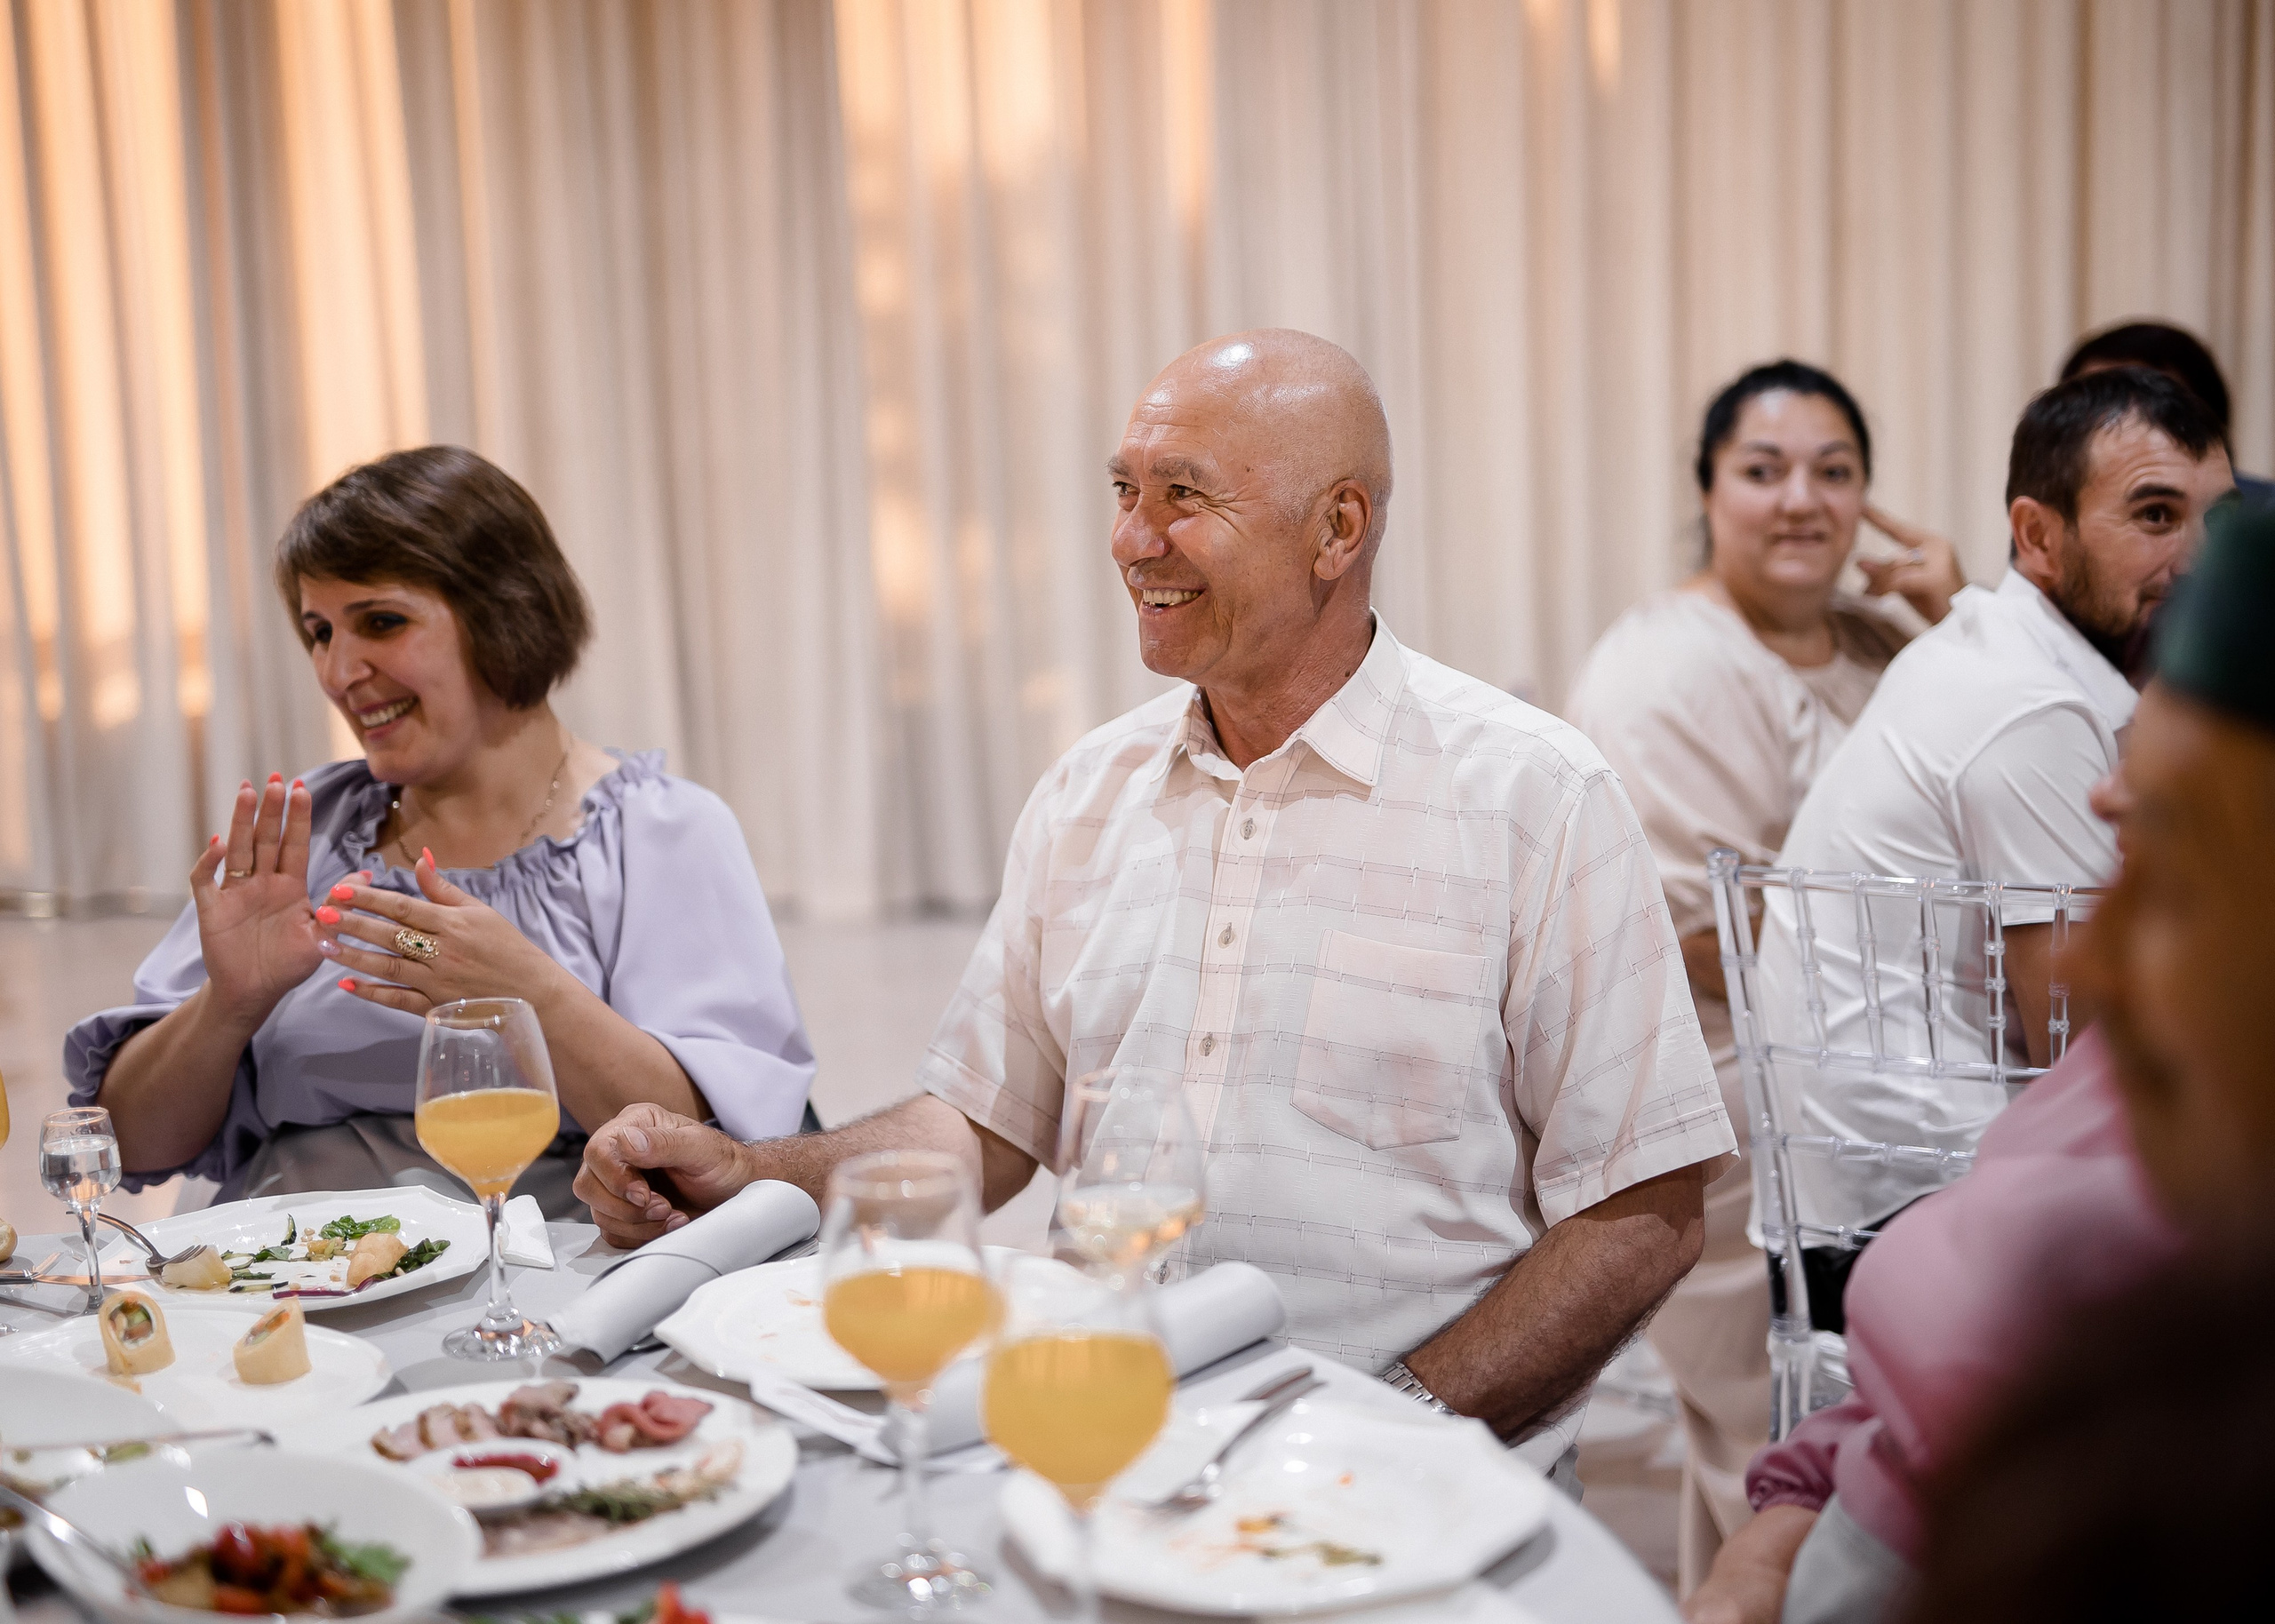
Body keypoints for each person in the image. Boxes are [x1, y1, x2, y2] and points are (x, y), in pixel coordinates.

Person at [579, 330, 1737, 1481]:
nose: (1134, 541)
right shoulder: (1089, 792)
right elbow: (983, 1128)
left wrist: (1391, 1427)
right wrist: (756, 1171)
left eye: (1184, 497)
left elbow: (1644, 1209)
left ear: (1338, 530)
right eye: (1126, 492)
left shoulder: (1536, 795)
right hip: (1103, 1458)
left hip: (1417, 1499)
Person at [1683, 501, 2275, 1624]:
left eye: (2172, 880)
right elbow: (1906, 1372)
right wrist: (1771, 1537)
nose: (2086, 964)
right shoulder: (2137, 1085)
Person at [66, 447, 815, 1215]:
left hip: (544, 1281)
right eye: (319, 631)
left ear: (505, 612)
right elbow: (132, 1142)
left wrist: (528, 995)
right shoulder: (306, 832)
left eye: (380, 623)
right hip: (288, 1279)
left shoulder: (659, 833)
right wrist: (226, 1006)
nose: (337, 671)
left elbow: (708, 1150)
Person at [1565, 361, 1964, 1593]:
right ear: (1707, 489)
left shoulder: (1879, 639)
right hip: (1735, 1107)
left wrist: (1962, 620)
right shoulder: (1662, 670)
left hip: (1894, 1082)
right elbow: (1696, 939)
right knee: (1782, 1455)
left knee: (1850, 1448)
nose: (1803, 501)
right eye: (1764, 470)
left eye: (1835, 472)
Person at [1756, 366, 2231, 1255]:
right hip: (1916, 1221)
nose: (2201, 559)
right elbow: (2090, 1050)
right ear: (2036, 535)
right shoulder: (2030, 706)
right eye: (2156, 516)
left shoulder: (1990, 653)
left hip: (1856, 1200)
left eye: (2221, 521)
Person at [2061, 319, 2271, 506]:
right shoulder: (2047, 513)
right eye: (2097, 406)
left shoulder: (2265, 516)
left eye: (2153, 408)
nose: (2120, 427)